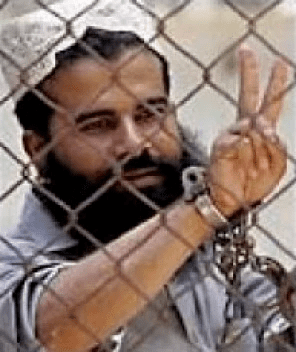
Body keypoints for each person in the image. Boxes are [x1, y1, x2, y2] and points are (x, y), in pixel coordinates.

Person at [0, 18, 295, 352]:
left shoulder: (209, 257)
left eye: (149, 115)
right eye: (99, 125)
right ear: (38, 148)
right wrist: (207, 208)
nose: (134, 143)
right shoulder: (11, 263)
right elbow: (55, 332)